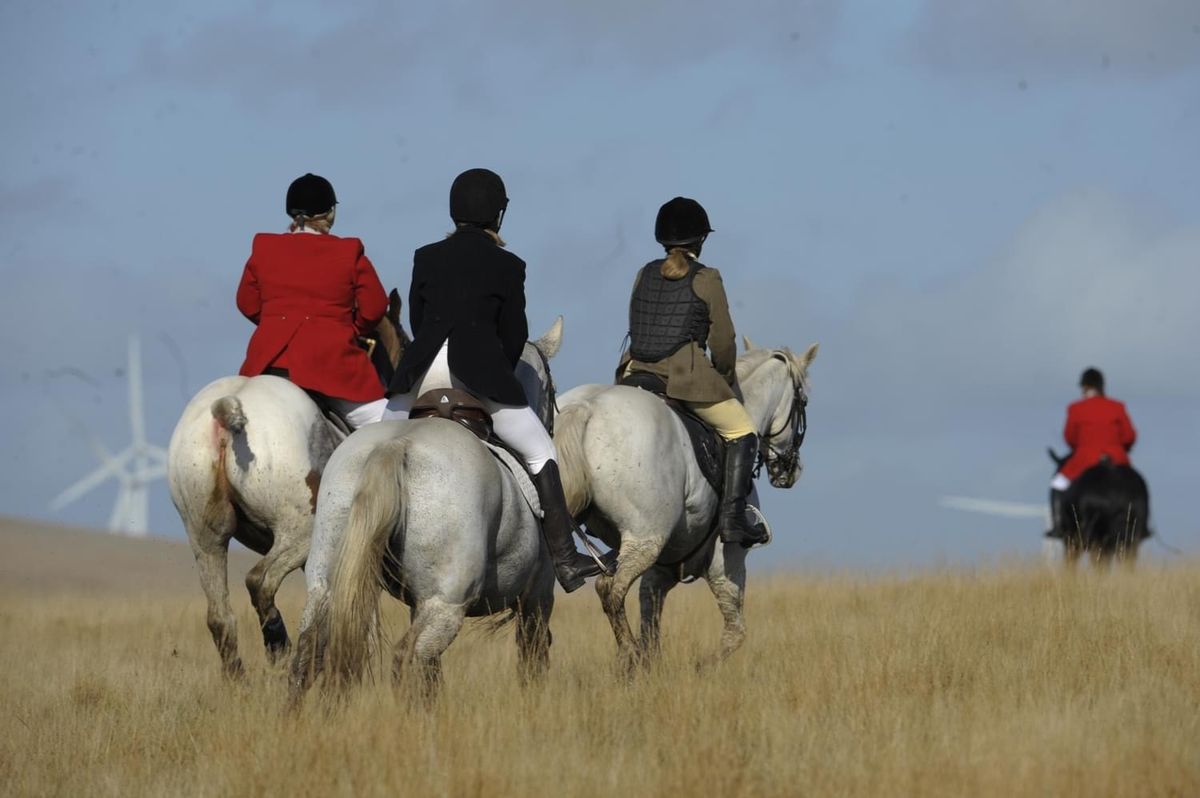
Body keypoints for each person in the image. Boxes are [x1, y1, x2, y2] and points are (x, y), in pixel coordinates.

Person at [382, 168, 604, 592]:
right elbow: (513, 337)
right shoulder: (508, 264)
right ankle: (567, 559)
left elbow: (416, 317)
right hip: (477, 376)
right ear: (496, 216)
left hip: (420, 375)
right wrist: (493, 368)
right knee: (541, 453)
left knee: (372, 450)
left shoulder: (425, 256)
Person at [618, 197, 766, 547]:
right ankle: (732, 519)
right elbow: (725, 341)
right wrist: (724, 376)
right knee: (743, 431)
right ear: (701, 240)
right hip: (683, 377)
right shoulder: (708, 278)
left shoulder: (644, 273)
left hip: (635, 372)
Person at [236, 173, 390, 429]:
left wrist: (277, 322)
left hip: (268, 364)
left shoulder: (264, 247)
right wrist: (349, 330)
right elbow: (375, 307)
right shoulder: (348, 251)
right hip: (329, 366)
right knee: (386, 428)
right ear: (330, 213)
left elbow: (246, 302)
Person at [1048, 367, 1137, 536]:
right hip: (1116, 459)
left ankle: (1058, 524)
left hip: (1085, 459)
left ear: (1084, 387)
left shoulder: (1076, 408)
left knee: (1057, 484)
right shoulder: (1117, 407)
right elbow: (1129, 436)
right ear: (1102, 386)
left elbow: (1070, 438)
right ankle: (1142, 525)